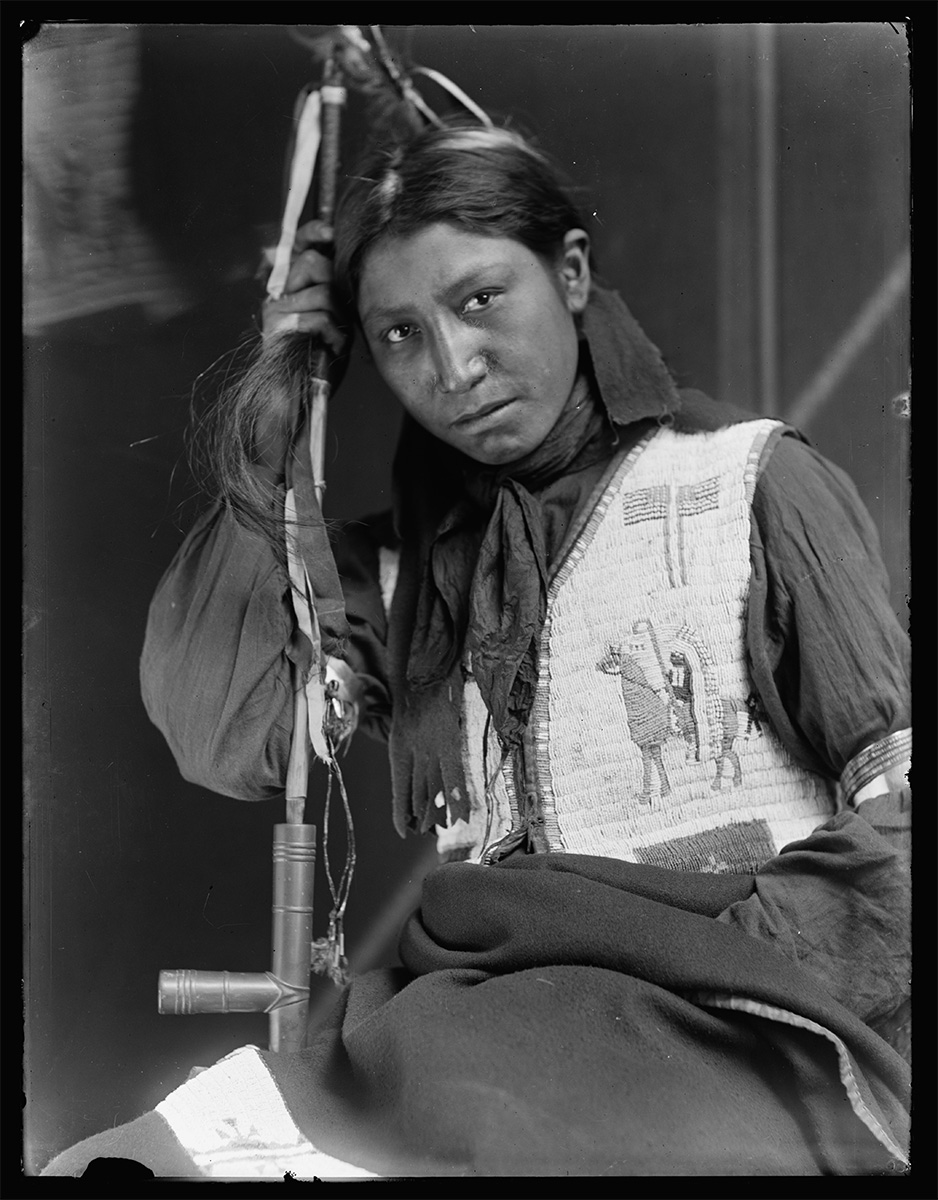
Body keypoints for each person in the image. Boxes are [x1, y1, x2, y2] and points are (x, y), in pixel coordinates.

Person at [43, 121, 911, 1178]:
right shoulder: (409, 574)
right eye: (398, 335)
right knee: (136, 1163)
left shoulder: (748, 486)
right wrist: (282, 397)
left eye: (479, 299)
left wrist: (714, 965)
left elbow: (899, 813)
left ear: (571, 271)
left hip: (740, 1024)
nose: (453, 367)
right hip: (473, 1028)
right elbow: (220, 733)